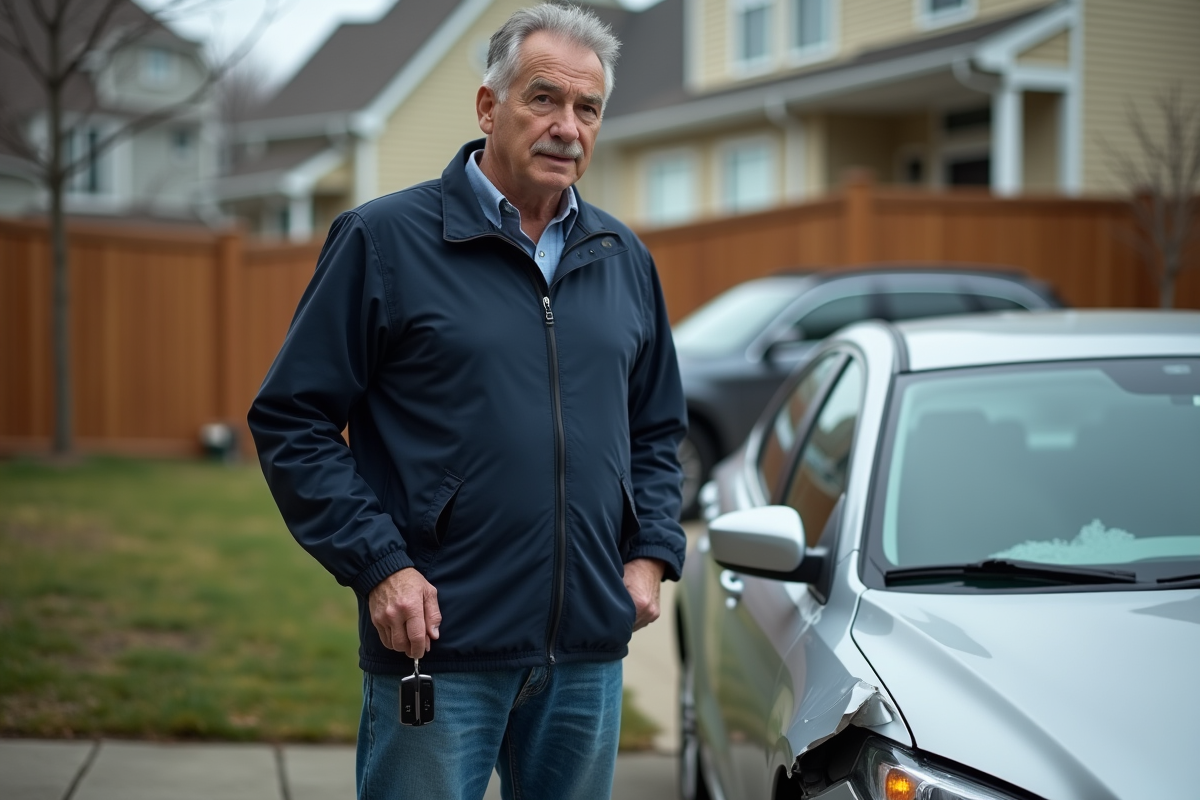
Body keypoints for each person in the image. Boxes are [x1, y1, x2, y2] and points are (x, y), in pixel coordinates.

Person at [247, 5, 687, 800]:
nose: (567, 126)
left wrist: (650, 552)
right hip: (438, 646)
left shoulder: (624, 259)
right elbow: (293, 419)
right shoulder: (383, 241)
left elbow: (657, 426)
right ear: (489, 107)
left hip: (586, 652)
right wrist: (381, 568)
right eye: (543, 99)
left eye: (588, 108)